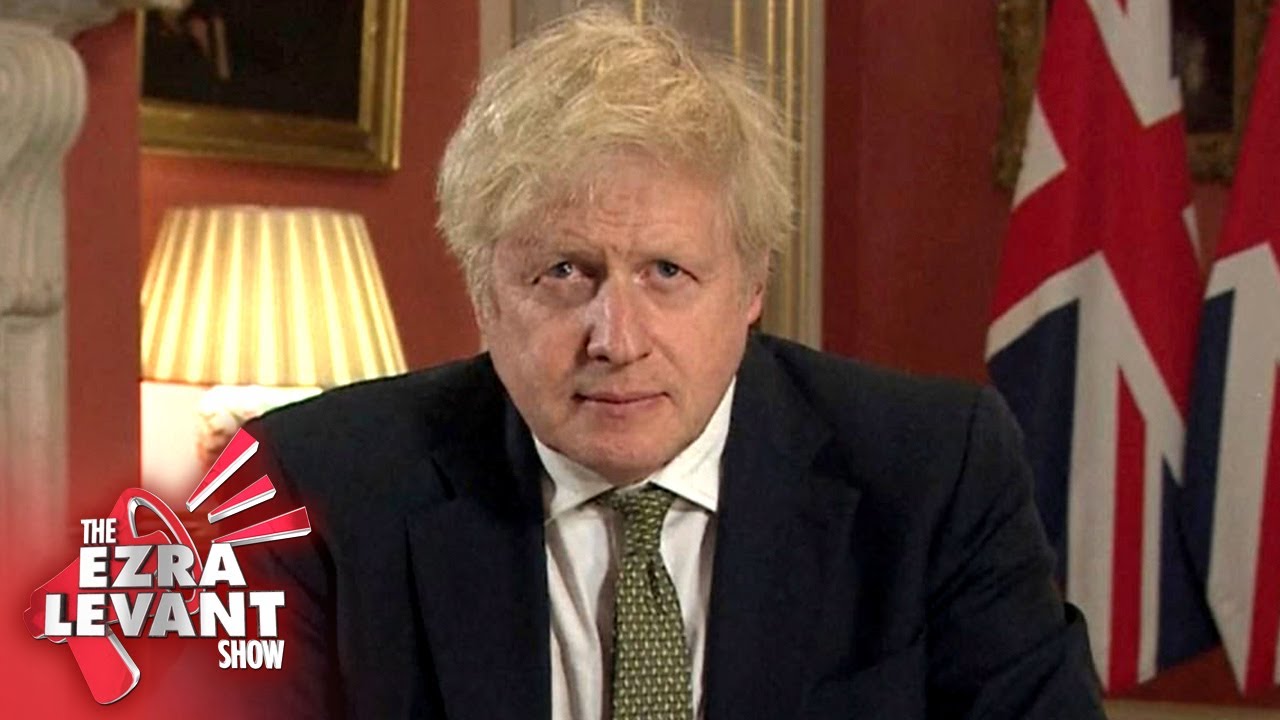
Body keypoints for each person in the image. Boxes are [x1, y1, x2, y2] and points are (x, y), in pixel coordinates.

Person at [238, 6, 1105, 718]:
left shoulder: (932, 475)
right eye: (564, 272)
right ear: (483, 292)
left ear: (752, 284)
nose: (617, 339)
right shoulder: (310, 490)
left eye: (667, 272)